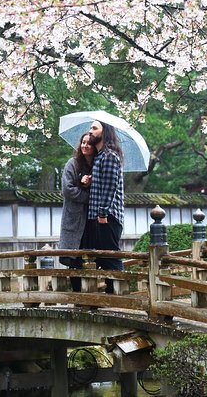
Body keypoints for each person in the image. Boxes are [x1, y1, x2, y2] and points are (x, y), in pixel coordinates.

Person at [85, 120, 124, 294]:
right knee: (104, 257)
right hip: (99, 216)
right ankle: (112, 295)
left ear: (105, 132)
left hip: (107, 216)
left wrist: (102, 214)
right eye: (90, 128)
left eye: (94, 128)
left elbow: (110, 187)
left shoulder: (109, 156)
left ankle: (119, 296)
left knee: (111, 257)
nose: (90, 131)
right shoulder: (99, 157)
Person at [58, 133, 94, 292]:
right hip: (73, 217)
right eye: (83, 142)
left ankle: (89, 294)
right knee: (74, 259)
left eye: (89, 143)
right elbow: (67, 190)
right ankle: (77, 295)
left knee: (90, 257)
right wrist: (84, 189)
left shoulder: (97, 165)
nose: (85, 146)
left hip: (91, 218)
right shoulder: (72, 164)